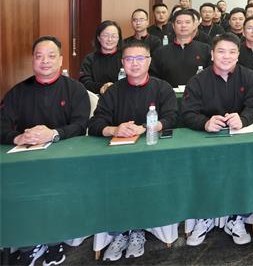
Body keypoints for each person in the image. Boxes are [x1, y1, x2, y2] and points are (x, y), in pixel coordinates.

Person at [1, 36, 91, 266]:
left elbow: (82, 125)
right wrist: (18, 137)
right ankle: (28, 243)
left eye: (51, 56)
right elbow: (1, 125)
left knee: (55, 189)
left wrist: (54, 134)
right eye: (39, 56)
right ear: (32, 60)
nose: (45, 61)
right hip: (26, 159)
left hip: (64, 158)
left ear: (60, 60)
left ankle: (54, 240)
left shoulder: (75, 90)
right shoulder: (18, 92)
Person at [88, 39, 178, 261]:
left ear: (149, 61)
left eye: (140, 58)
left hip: (154, 155)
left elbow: (172, 118)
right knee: (115, 180)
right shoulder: (113, 91)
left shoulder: (162, 88)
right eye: (129, 59)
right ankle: (119, 232)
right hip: (118, 157)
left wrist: (148, 128)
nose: (135, 64)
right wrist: (114, 129)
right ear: (122, 63)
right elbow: (96, 124)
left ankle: (139, 230)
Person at [181, 34, 253, 247]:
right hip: (208, 141)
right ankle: (205, 216)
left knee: (246, 171)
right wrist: (205, 123)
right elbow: (187, 113)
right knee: (204, 172)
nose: (227, 56)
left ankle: (237, 218)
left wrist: (243, 119)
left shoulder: (249, 76)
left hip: (240, 141)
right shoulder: (198, 81)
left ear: (238, 54)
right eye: (221, 51)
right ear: (212, 54)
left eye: (232, 52)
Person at [150, 10, 211, 87]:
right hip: (168, 93)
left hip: (198, 93)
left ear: (194, 25)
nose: (183, 25)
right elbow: (154, 78)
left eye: (187, 22)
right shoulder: (161, 52)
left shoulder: (205, 49)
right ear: (173, 26)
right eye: (179, 22)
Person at [79, 21, 124, 94]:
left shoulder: (126, 57)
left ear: (119, 38)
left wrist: (113, 87)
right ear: (98, 38)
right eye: (106, 35)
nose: (110, 39)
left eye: (114, 36)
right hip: (96, 97)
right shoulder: (89, 59)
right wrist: (102, 87)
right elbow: (84, 82)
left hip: (122, 96)